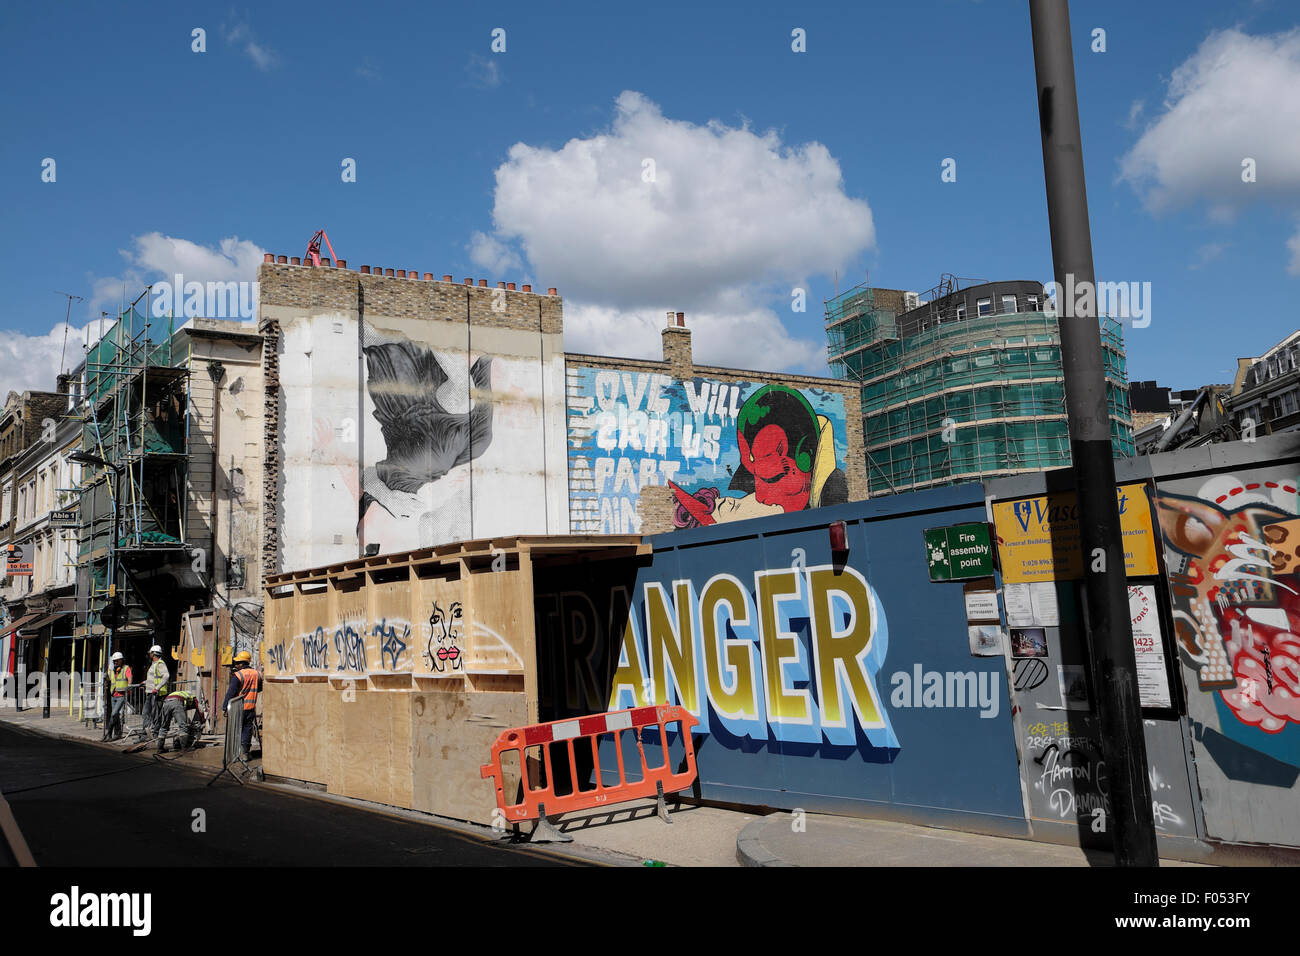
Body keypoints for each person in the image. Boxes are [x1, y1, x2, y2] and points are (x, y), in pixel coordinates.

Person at [222, 651, 261, 758]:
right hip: (251, 707)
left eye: (237, 663)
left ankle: (234, 754)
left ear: (242, 663)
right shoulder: (257, 674)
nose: (236, 665)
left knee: (236, 729)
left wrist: (225, 707)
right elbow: (260, 688)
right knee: (247, 729)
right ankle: (245, 753)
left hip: (238, 707)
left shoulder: (238, 675)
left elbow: (231, 692)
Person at [156, 688, 206, 753]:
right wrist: (202, 720)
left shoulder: (179, 694)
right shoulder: (193, 697)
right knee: (183, 726)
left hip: (166, 703)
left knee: (164, 727)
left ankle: (160, 749)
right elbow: (200, 709)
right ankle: (184, 748)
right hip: (176, 702)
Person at [143, 645, 169, 737]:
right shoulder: (154, 664)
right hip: (150, 693)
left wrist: (157, 688)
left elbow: (166, 676)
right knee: (147, 713)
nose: (149, 654)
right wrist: (145, 683)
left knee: (155, 715)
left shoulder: (160, 664)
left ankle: (154, 733)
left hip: (156, 694)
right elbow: (154, 678)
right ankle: (146, 733)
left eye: (150, 653)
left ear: (153, 654)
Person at [107, 651, 131, 740]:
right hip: (113, 694)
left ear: (121, 660)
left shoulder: (126, 668)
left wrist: (129, 687)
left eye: (117, 661)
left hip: (121, 695)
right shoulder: (112, 670)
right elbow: (108, 678)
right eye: (114, 661)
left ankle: (109, 733)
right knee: (115, 715)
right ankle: (117, 733)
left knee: (113, 714)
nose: (115, 662)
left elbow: (129, 679)